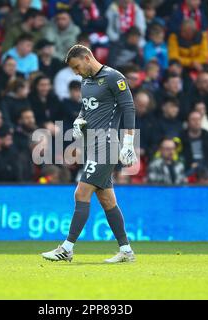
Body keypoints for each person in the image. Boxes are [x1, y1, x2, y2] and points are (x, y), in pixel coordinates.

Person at [42, 44, 138, 263]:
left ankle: (67, 248)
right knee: (106, 199)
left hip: (107, 144)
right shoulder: (85, 81)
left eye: (77, 67)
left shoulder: (114, 77)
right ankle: (126, 250)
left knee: (81, 193)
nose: (76, 72)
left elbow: (129, 108)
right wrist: (79, 119)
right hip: (92, 144)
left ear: (87, 58)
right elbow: (87, 108)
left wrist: (129, 142)